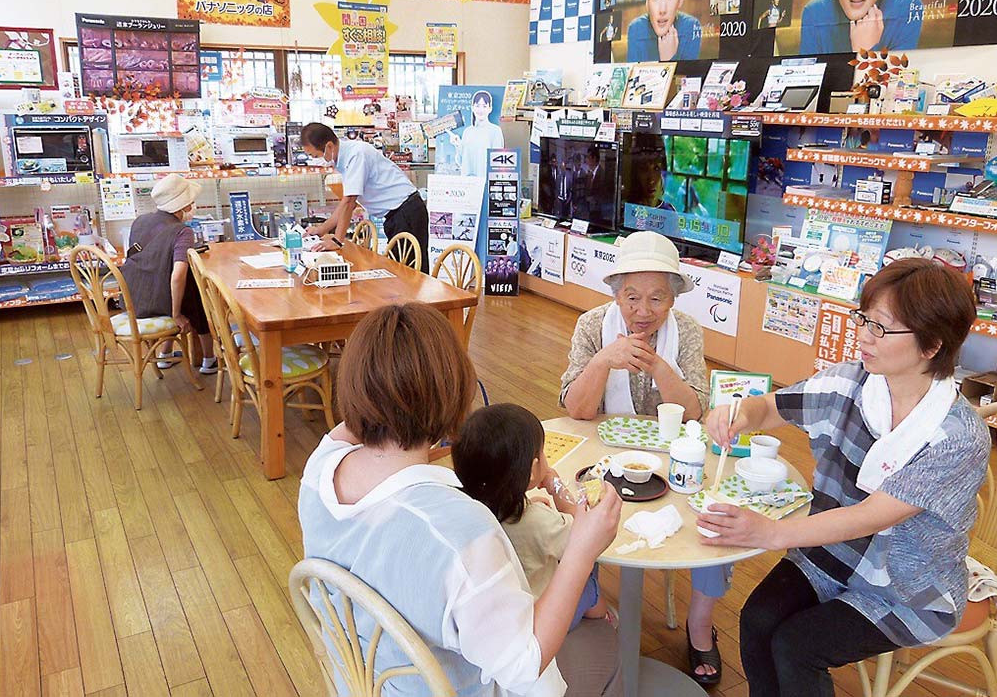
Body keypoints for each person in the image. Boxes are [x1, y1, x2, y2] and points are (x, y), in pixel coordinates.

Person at [299, 303, 625, 696]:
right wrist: (582, 551)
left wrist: (392, 387)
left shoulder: (320, 468)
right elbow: (524, 664)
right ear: (456, 396)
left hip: (361, 682)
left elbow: (352, 428)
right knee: (608, 648)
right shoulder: (458, 530)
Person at [700, 258, 989, 697]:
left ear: (931, 345)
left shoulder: (957, 437)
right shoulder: (851, 383)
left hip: (906, 587)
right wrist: (738, 414)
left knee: (797, 647)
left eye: (880, 328)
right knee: (758, 618)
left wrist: (773, 533)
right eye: (864, 320)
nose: (862, 337)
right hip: (833, 554)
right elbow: (771, 407)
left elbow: (871, 516)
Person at [558, 231, 728, 685]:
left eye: (657, 298)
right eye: (631, 297)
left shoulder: (686, 332)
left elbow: (694, 409)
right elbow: (576, 409)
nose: (643, 311)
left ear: (673, 299)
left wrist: (658, 367)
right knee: (574, 510)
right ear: (615, 293)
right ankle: (588, 601)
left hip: (671, 456)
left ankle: (698, 624)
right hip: (603, 453)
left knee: (715, 513)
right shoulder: (593, 325)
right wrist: (602, 362)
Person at [453, 403, 611, 633]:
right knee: (590, 581)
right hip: (540, 615)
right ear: (533, 469)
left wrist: (528, 504)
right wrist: (557, 488)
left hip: (500, 608)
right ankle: (603, 621)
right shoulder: (537, 521)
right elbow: (582, 534)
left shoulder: (475, 507)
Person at [300, 122, 430, 272]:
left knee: (412, 273)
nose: (315, 161)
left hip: (406, 211)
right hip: (397, 213)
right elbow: (347, 203)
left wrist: (337, 240)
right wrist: (322, 229)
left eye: (315, 156)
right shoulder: (344, 158)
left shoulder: (356, 154)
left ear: (329, 146)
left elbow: (349, 202)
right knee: (400, 271)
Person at [119, 173, 216, 374]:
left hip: (132, 299)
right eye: (191, 202)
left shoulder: (140, 221)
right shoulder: (182, 231)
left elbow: (148, 260)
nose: (193, 206)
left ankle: (165, 354)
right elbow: (177, 275)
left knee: (178, 282)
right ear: (183, 206)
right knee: (194, 290)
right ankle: (209, 358)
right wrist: (176, 314)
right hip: (160, 303)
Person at [447, 90, 505, 178]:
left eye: (484, 106)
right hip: (468, 183)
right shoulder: (468, 131)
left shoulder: (495, 131)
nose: (480, 110)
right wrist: (457, 145)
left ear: (490, 109)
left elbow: (497, 162)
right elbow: (461, 161)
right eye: (477, 106)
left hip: (487, 182)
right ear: (472, 108)